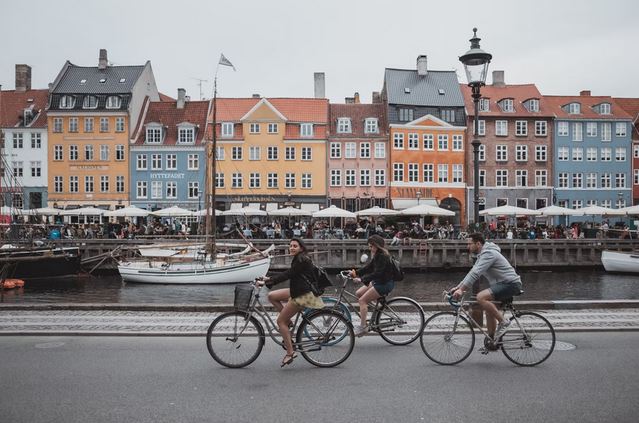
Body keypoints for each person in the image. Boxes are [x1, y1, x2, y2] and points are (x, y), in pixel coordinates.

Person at [259, 238, 323, 367]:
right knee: (272, 296)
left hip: (302, 295)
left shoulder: (301, 260)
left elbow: (288, 274)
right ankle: (289, 322)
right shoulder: (300, 258)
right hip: (298, 290)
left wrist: (267, 282)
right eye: (290, 246)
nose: (292, 248)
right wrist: (269, 278)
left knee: (280, 321)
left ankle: (290, 352)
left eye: (295, 246)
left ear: (301, 248)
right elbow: (289, 274)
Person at [451, 233, 523, 343]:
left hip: (511, 284)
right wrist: (459, 287)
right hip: (503, 284)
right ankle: (492, 340)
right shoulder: (482, 255)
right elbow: (472, 272)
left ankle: (504, 322)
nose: (467, 247)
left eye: (470, 244)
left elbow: (475, 274)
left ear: (478, 244)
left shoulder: (489, 254)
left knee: (481, 297)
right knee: (489, 309)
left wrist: (462, 290)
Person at [348, 234, 394, 337]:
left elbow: (378, 273)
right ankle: (373, 310)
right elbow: (369, 268)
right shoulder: (377, 255)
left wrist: (361, 279)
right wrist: (355, 272)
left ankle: (363, 327)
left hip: (384, 284)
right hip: (379, 281)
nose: (370, 248)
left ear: (377, 245)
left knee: (362, 301)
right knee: (359, 293)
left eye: (371, 246)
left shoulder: (383, 256)